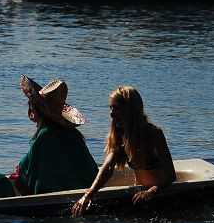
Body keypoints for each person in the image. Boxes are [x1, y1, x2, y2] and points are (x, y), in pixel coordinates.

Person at [72, 86, 175, 216]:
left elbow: (170, 175)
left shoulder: (153, 134)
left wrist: (151, 192)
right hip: (138, 198)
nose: (111, 113)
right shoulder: (120, 135)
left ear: (131, 109)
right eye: (110, 108)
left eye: (117, 108)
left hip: (159, 197)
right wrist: (88, 195)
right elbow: (108, 167)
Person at [13, 76, 98, 196]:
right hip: (85, 188)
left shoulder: (45, 135)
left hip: (61, 193)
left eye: (31, 104)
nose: (29, 107)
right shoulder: (74, 134)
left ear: (39, 109)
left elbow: (29, 169)